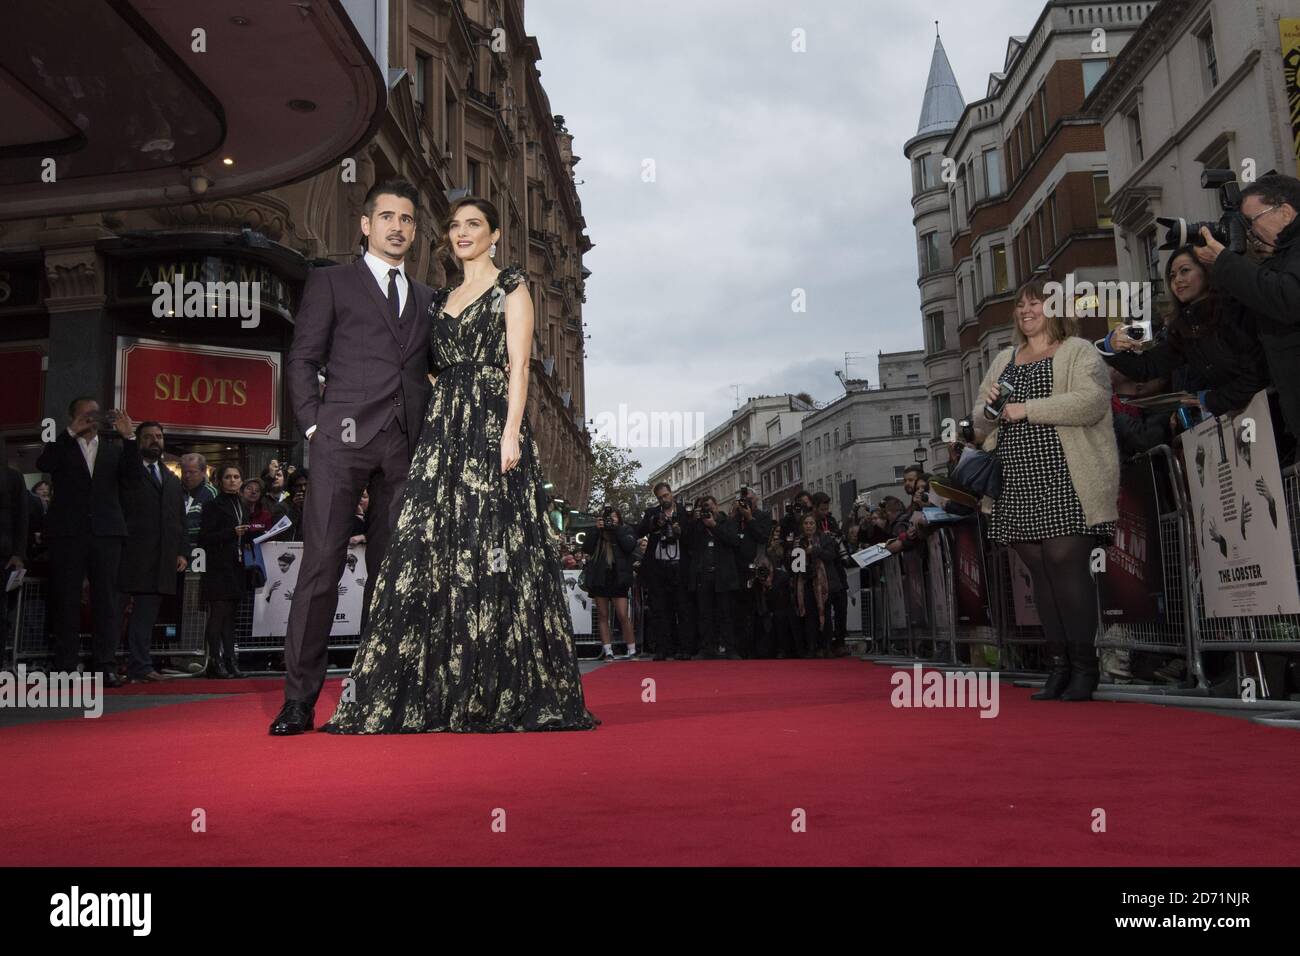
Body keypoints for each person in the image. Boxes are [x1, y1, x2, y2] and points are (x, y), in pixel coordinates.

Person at [322, 194, 598, 733]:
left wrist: (512, 431)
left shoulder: (511, 287)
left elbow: (520, 366)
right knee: (431, 550)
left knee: (492, 549)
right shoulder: (440, 297)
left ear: (495, 235)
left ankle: (496, 689)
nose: (462, 233)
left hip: (492, 423)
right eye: (454, 226)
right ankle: (438, 688)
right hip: (443, 429)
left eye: (474, 225)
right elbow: (421, 369)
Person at [271, 178, 439, 736]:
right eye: (387, 216)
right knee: (320, 566)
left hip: (403, 444)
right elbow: (302, 359)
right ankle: (299, 701)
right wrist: (315, 425)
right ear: (365, 224)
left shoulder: (423, 296)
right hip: (339, 440)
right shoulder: (331, 281)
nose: (398, 227)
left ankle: (377, 693)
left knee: (391, 575)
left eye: (408, 219)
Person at [975, 276, 1119, 701]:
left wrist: (1026, 409)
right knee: (1040, 573)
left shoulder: (1079, 352)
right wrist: (989, 410)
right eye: (1020, 305)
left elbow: (1091, 403)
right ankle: (1057, 667)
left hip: (1067, 474)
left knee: (1067, 568)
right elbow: (981, 421)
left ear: (1055, 308)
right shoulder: (1004, 359)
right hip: (1017, 477)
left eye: (1035, 303)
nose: (1025, 311)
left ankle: (1084, 669)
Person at [1099, 245, 1269, 428]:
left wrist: (1212, 400)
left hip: (1272, 410)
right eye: (1172, 276)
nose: (1177, 280)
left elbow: (1258, 372)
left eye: (1185, 271)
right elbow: (1147, 367)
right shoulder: (1184, 328)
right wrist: (1111, 346)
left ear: (1206, 271)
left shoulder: (1235, 309)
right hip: (1244, 421)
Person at [35, 398, 141, 686]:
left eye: (93, 414)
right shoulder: (63, 447)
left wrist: (129, 437)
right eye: (84, 415)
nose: (89, 420)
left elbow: (134, 478)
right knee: (66, 600)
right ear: (72, 417)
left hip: (106, 533)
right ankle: (66, 666)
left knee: (106, 601)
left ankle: (105, 665)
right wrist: (69, 432)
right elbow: (44, 463)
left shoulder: (114, 450)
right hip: (68, 535)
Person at [1196, 173, 1300, 456]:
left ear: (1286, 212)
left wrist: (1226, 263)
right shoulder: (1279, 259)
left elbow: (1287, 299)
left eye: (1252, 221)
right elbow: (1245, 327)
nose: (1251, 232)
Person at [119, 422, 188, 683]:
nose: (154, 441)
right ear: (138, 441)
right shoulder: (129, 470)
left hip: (160, 560)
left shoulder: (171, 478)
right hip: (128, 557)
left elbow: (178, 519)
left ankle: (141, 666)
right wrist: (125, 437)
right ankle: (106, 664)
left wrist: (182, 551)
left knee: (145, 619)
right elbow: (128, 470)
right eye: (148, 437)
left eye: (158, 436)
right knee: (114, 615)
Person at [199, 465, 250, 679]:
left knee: (231, 617)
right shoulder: (212, 505)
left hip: (236, 566)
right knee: (218, 614)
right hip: (218, 568)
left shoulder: (243, 504)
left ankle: (231, 660)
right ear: (220, 481)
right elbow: (204, 538)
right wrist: (231, 532)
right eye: (228, 477)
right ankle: (214, 661)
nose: (232, 480)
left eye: (236, 477)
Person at [635, 482, 694, 661]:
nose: (664, 499)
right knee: (660, 610)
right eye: (660, 497)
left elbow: (692, 537)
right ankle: (663, 647)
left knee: (682, 608)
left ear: (672, 493)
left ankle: (684, 647)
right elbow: (640, 530)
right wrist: (655, 524)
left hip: (679, 566)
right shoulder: (653, 514)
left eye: (666, 495)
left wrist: (679, 531)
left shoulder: (685, 512)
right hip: (658, 567)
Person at [581, 507, 637, 660]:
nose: (610, 520)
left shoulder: (625, 530)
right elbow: (586, 548)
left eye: (614, 517)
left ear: (619, 518)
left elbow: (629, 547)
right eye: (608, 518)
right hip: (600, 578)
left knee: (622, 614)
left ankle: (632, 649)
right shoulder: (598, 533)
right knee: (603, 614)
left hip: (619, 578)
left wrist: (616, 529)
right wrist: (595, 530)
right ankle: (608, 650)